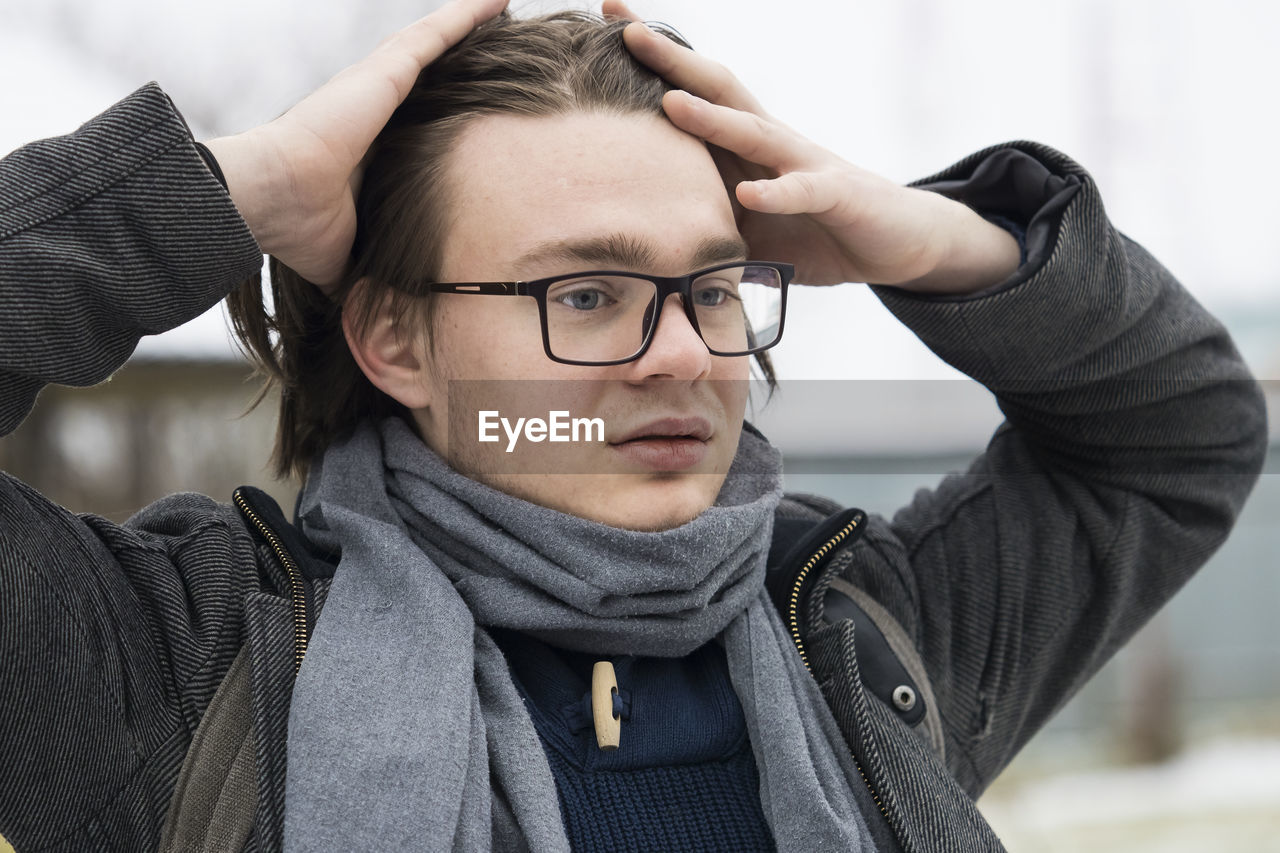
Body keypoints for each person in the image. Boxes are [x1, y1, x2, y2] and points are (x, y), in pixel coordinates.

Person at [0, 0, 1266, 850]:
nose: (681, 353)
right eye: (586, 294)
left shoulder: (855, 623)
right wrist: (233, 189)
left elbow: (1175, 437)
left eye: (709, 287)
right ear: (394, 338)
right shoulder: (181, 665)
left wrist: (941, 242)